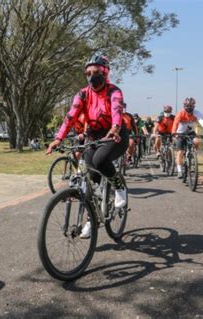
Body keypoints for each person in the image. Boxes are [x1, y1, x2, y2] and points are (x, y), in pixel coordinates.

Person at [46, 53, 129, 238]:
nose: (92, 76)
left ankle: (119, 186)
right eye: (89, 73)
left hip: (115, 135)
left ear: (105, 72)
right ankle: (93, 220)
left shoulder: (114, 91)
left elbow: (116, 110)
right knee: (91, 177)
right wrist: (59, 138)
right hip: (94, 135)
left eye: (97, 71)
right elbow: (71, 116)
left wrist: (115, 127)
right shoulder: (83, 94)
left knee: (100, 161)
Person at [172, 97, 203, 178]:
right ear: (184, 106)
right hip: (180, 133)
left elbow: (202, 121)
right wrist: (174, 133)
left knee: (197, 141)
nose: (189, 108)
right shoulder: (180, 113)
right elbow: (175, 123)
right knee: (180, 152)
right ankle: (179, 170)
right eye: (187, 106)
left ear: (193, 106)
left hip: (190, 132)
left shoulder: (196, 113)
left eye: (191, 106)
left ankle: (193, 154)